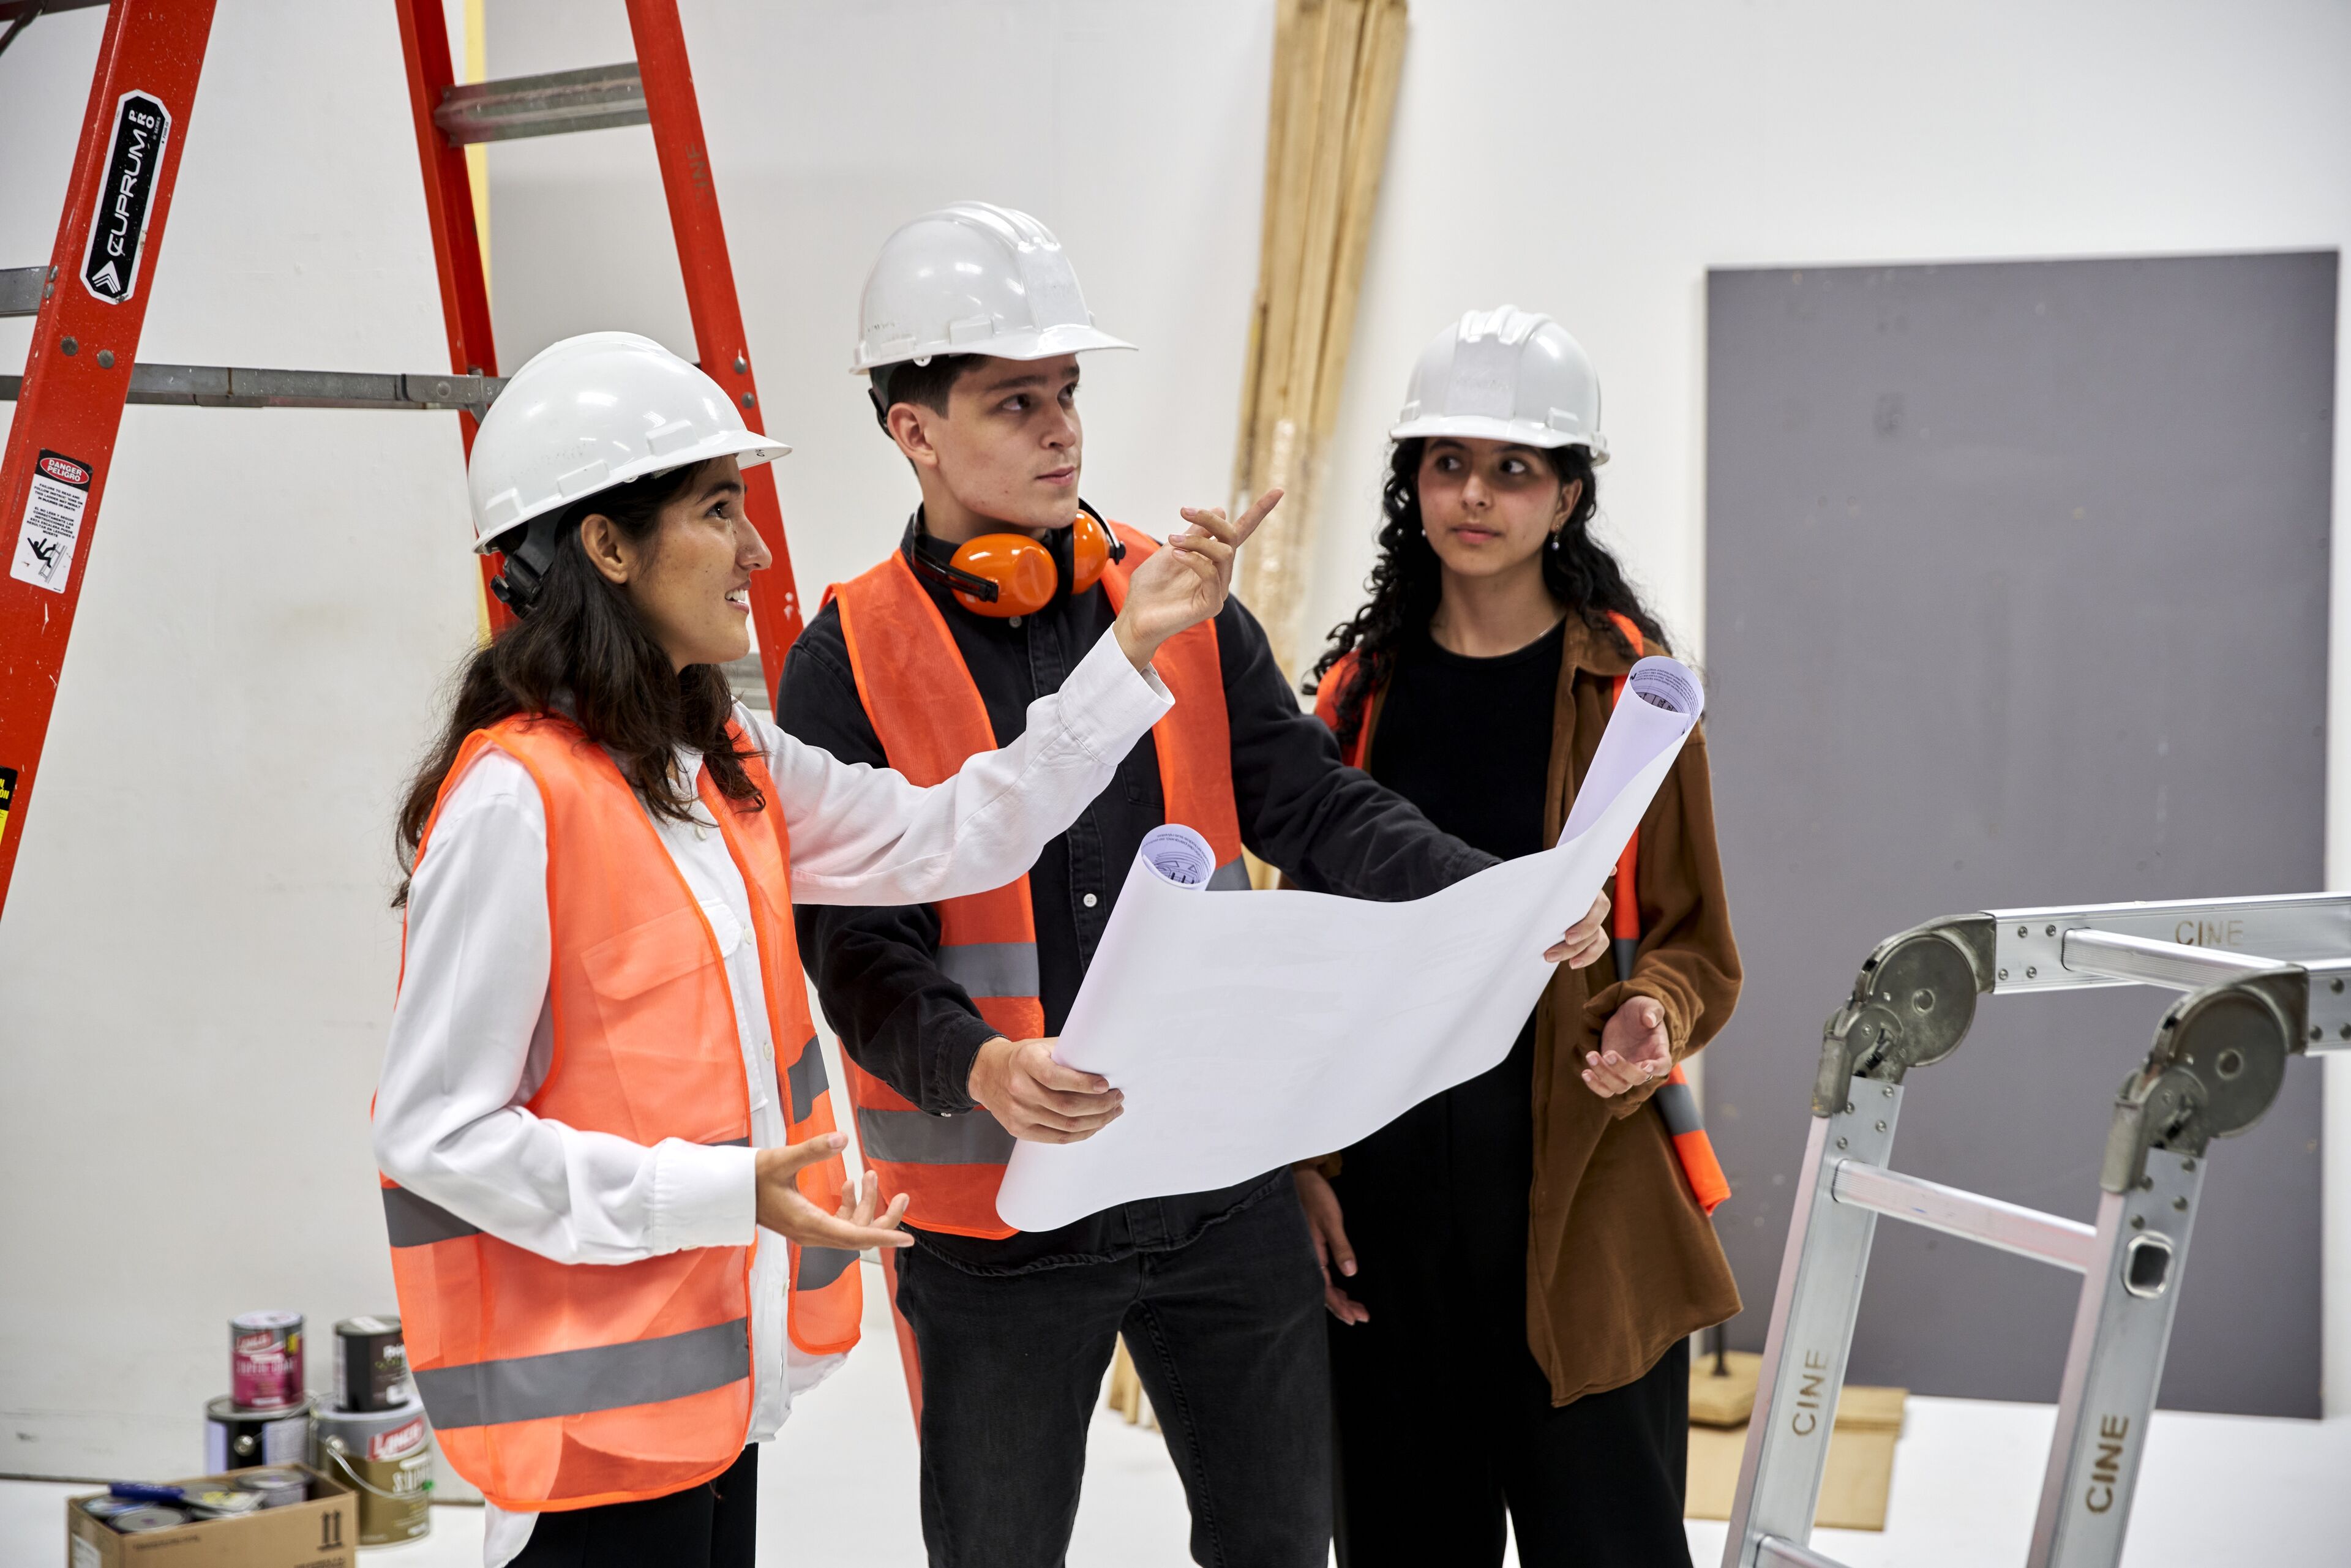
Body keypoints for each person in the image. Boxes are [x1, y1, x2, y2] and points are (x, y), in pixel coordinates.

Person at [779, 205, 1611, 1568]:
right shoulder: (848, 657)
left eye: (1067, 395)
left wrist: (1491, 896)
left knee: (1280, 1546)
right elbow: (854, 944)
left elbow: (1312, 803)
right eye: (1013, 402)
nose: (1063, 431)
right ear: (912, 430)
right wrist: (978, 1065)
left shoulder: (1179, 608)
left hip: (1219, 1190)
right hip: (995, 1222)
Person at [372, 330, 1254, 1568]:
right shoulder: (516, 802)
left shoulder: (720, 758)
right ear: (608, 548)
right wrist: (723, 1194)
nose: (755, 549)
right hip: (583, 1442)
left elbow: (961, 829)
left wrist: (1129, 652)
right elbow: (435, 1136)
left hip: (712, 1399)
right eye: (718, 511)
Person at [1294, 306, 1744, 1567]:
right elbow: (1307, 954)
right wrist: (1306, 1165)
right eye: (1448, 463)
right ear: (1413, 486)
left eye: (1514, 469)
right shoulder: (1356, 698)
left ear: (1569, 495)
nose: (1475, 495)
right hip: (1387, 1209)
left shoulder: (1635, 696)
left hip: (1582, 1205)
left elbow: (1700, 944)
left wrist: (1652, 1012)